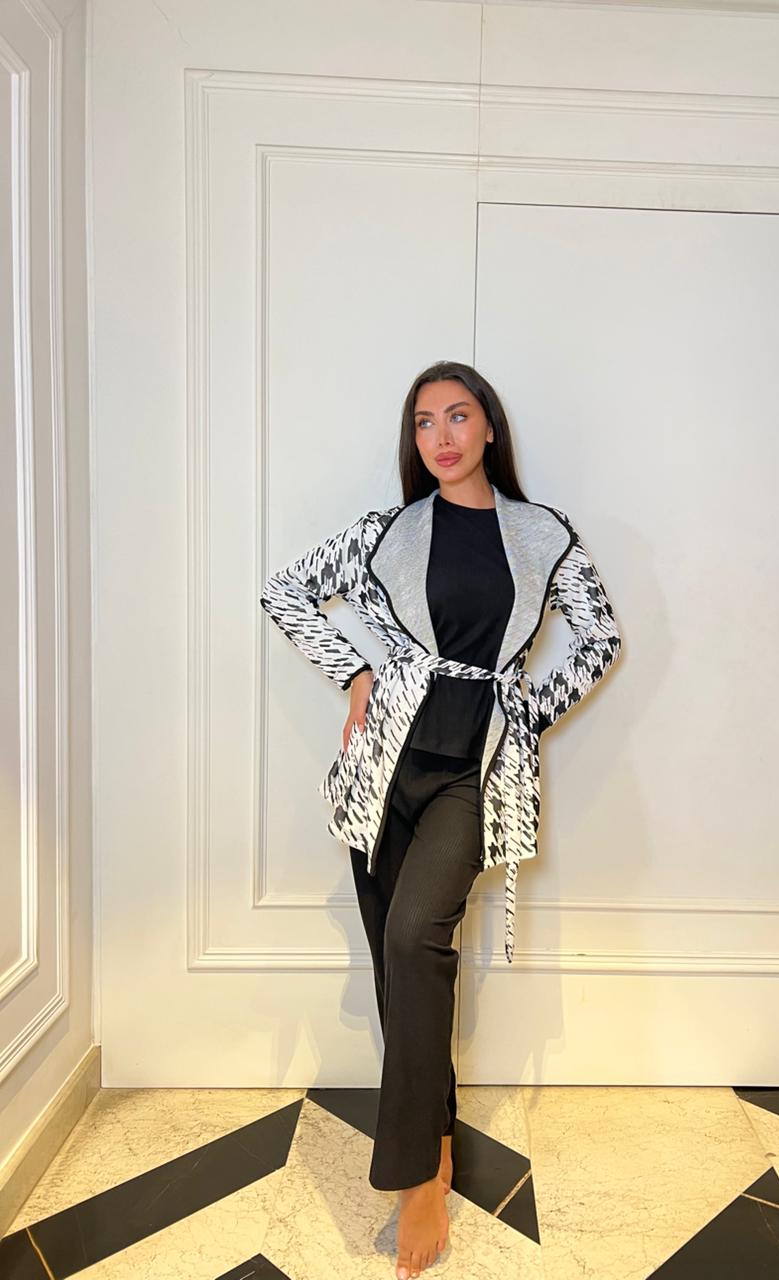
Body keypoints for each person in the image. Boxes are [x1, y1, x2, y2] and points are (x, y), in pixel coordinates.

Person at [260, 360, 621, 1279]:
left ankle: (418, 1172)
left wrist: (530, 709)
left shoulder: (543, 534)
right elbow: (286, 591)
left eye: (460, 417)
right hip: (385, 768)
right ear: (414, 441)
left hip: (473, 770)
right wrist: (355, 670)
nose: (444, 436)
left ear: (490, 428)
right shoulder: (390, 529)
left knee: (419, 936)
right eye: (425, 423)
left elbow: (601, 634)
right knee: (397, 962)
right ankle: (440, 1129)